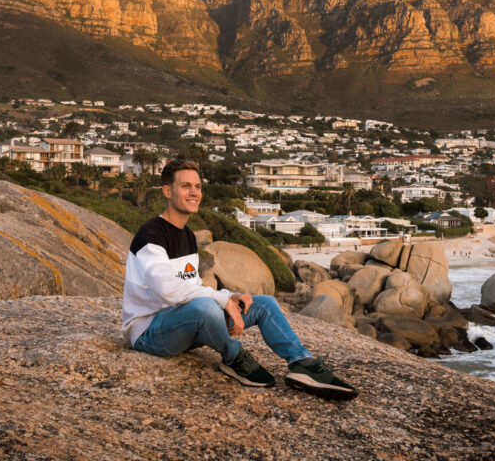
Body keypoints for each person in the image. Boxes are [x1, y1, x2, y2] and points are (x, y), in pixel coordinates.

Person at [121, 159, 357, 401]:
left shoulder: (187, 235)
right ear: (167, 191)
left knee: (263, 304)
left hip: (186, 322)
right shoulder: (152, 235)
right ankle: (234, 357)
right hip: (149, 333)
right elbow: (168, 290)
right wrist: (221, 302)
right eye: (186, 186)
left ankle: (302, 363)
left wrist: (229, 298)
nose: (194, 193)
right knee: (205, 307)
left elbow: (190, 287)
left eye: (198, 186)